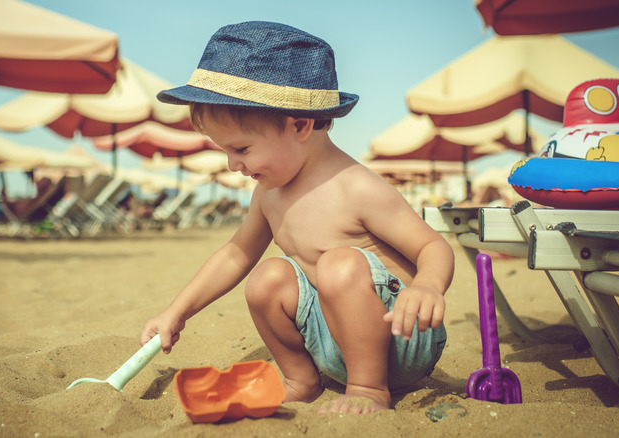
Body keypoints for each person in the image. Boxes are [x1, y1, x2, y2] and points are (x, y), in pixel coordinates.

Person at [139, 21, 453, 415]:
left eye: (242, 148)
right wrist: (176, 312)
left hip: (401, 338)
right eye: (225, 151)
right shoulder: (268, 193)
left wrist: (426, 286)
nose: (234, 163)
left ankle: (369, 390)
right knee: (268, 278)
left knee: (338, 262)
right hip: (333, 343)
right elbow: (235, 255)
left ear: (301, 125)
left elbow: (432, 245)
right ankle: (300, 379)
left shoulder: (354, 187)